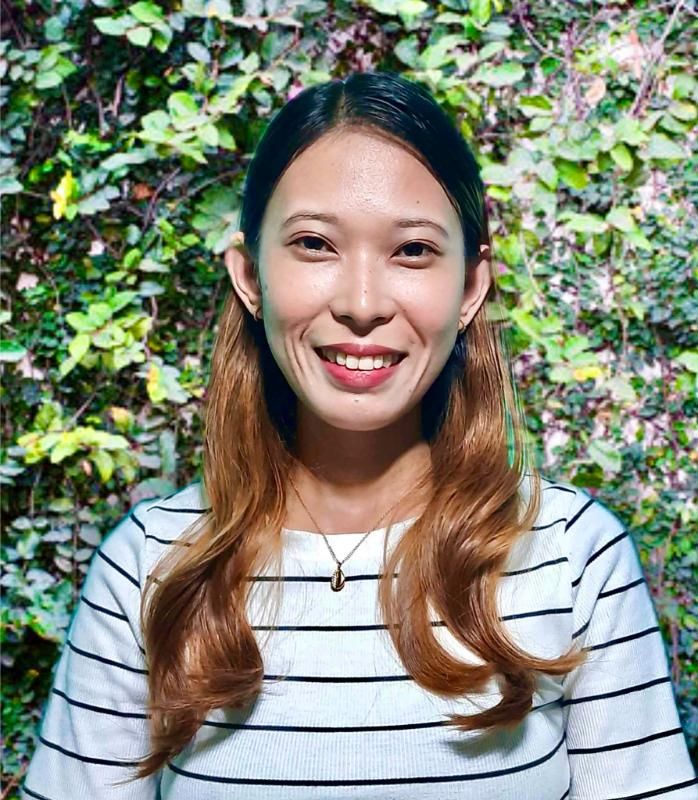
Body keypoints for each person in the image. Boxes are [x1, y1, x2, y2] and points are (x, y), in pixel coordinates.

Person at [21, 70, 697, 800]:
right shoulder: (151, 564)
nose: (363, 303)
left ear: (471, 289)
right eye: (315, 244)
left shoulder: (574, 556)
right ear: (250, 277)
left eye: (413, 251)